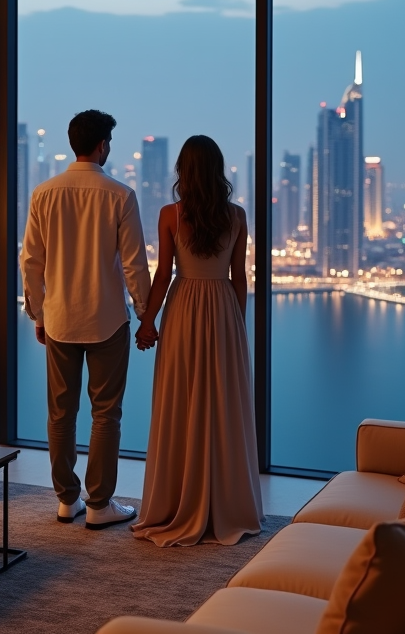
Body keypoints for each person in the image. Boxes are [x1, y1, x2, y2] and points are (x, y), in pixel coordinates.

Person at [20, 109, 151, 530]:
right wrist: (146, 315)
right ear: (101, 145)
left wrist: (38, 313)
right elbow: (134, 265)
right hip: (108, 319)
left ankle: (66, 500)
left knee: (60, 413)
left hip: (59, 319)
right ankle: (99, 504)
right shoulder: (120, 195)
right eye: (108, 142)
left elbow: (31, 262)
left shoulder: (44, 193)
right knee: (105, 413)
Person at [131, 134, 264, 547]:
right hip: (223, 308)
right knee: (222, 404)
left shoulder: (171, 214)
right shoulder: (238, 215)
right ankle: (224, 503)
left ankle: (177, 501)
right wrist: (236, 326)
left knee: (181, 400)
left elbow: (164, 274)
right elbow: (239, 277)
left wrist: (148, 321)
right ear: (218, 169)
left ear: (183, 172)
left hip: (185, 307)